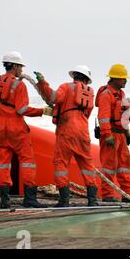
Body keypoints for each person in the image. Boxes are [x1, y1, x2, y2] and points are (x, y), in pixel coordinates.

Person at [0, 51, 49, 208]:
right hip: (17, 129)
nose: (21, 71)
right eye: (20, 67)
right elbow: (22, 110)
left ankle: (5, 200)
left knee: (3, 163)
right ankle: (29, 199)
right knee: (27, 161)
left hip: (0, 129)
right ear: (15, 66)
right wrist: (42, 111)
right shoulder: (19, 85)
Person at [35, 65, 99, 207]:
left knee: (61, 163)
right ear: (86, 80)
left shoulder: (66, 87)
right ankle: (92, 200)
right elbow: (87, 113)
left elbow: (53, 97)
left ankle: (64, 200)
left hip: (66, 130)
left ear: (74, 76)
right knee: (87, 164)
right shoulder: (90, 92)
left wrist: (42, 83)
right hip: (82, 131)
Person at [95, 64, 130, 202]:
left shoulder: (121, 94)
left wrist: (127, 132)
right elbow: (103, 118)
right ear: (114, 79)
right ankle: (107, 196)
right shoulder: (106, 95)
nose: (125, 81)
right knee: (109, 166)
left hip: (121, 135)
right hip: (110, 135)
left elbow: (124, 116)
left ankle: (128, 195)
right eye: (123, 78)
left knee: (124, 166)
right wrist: (107, 135)